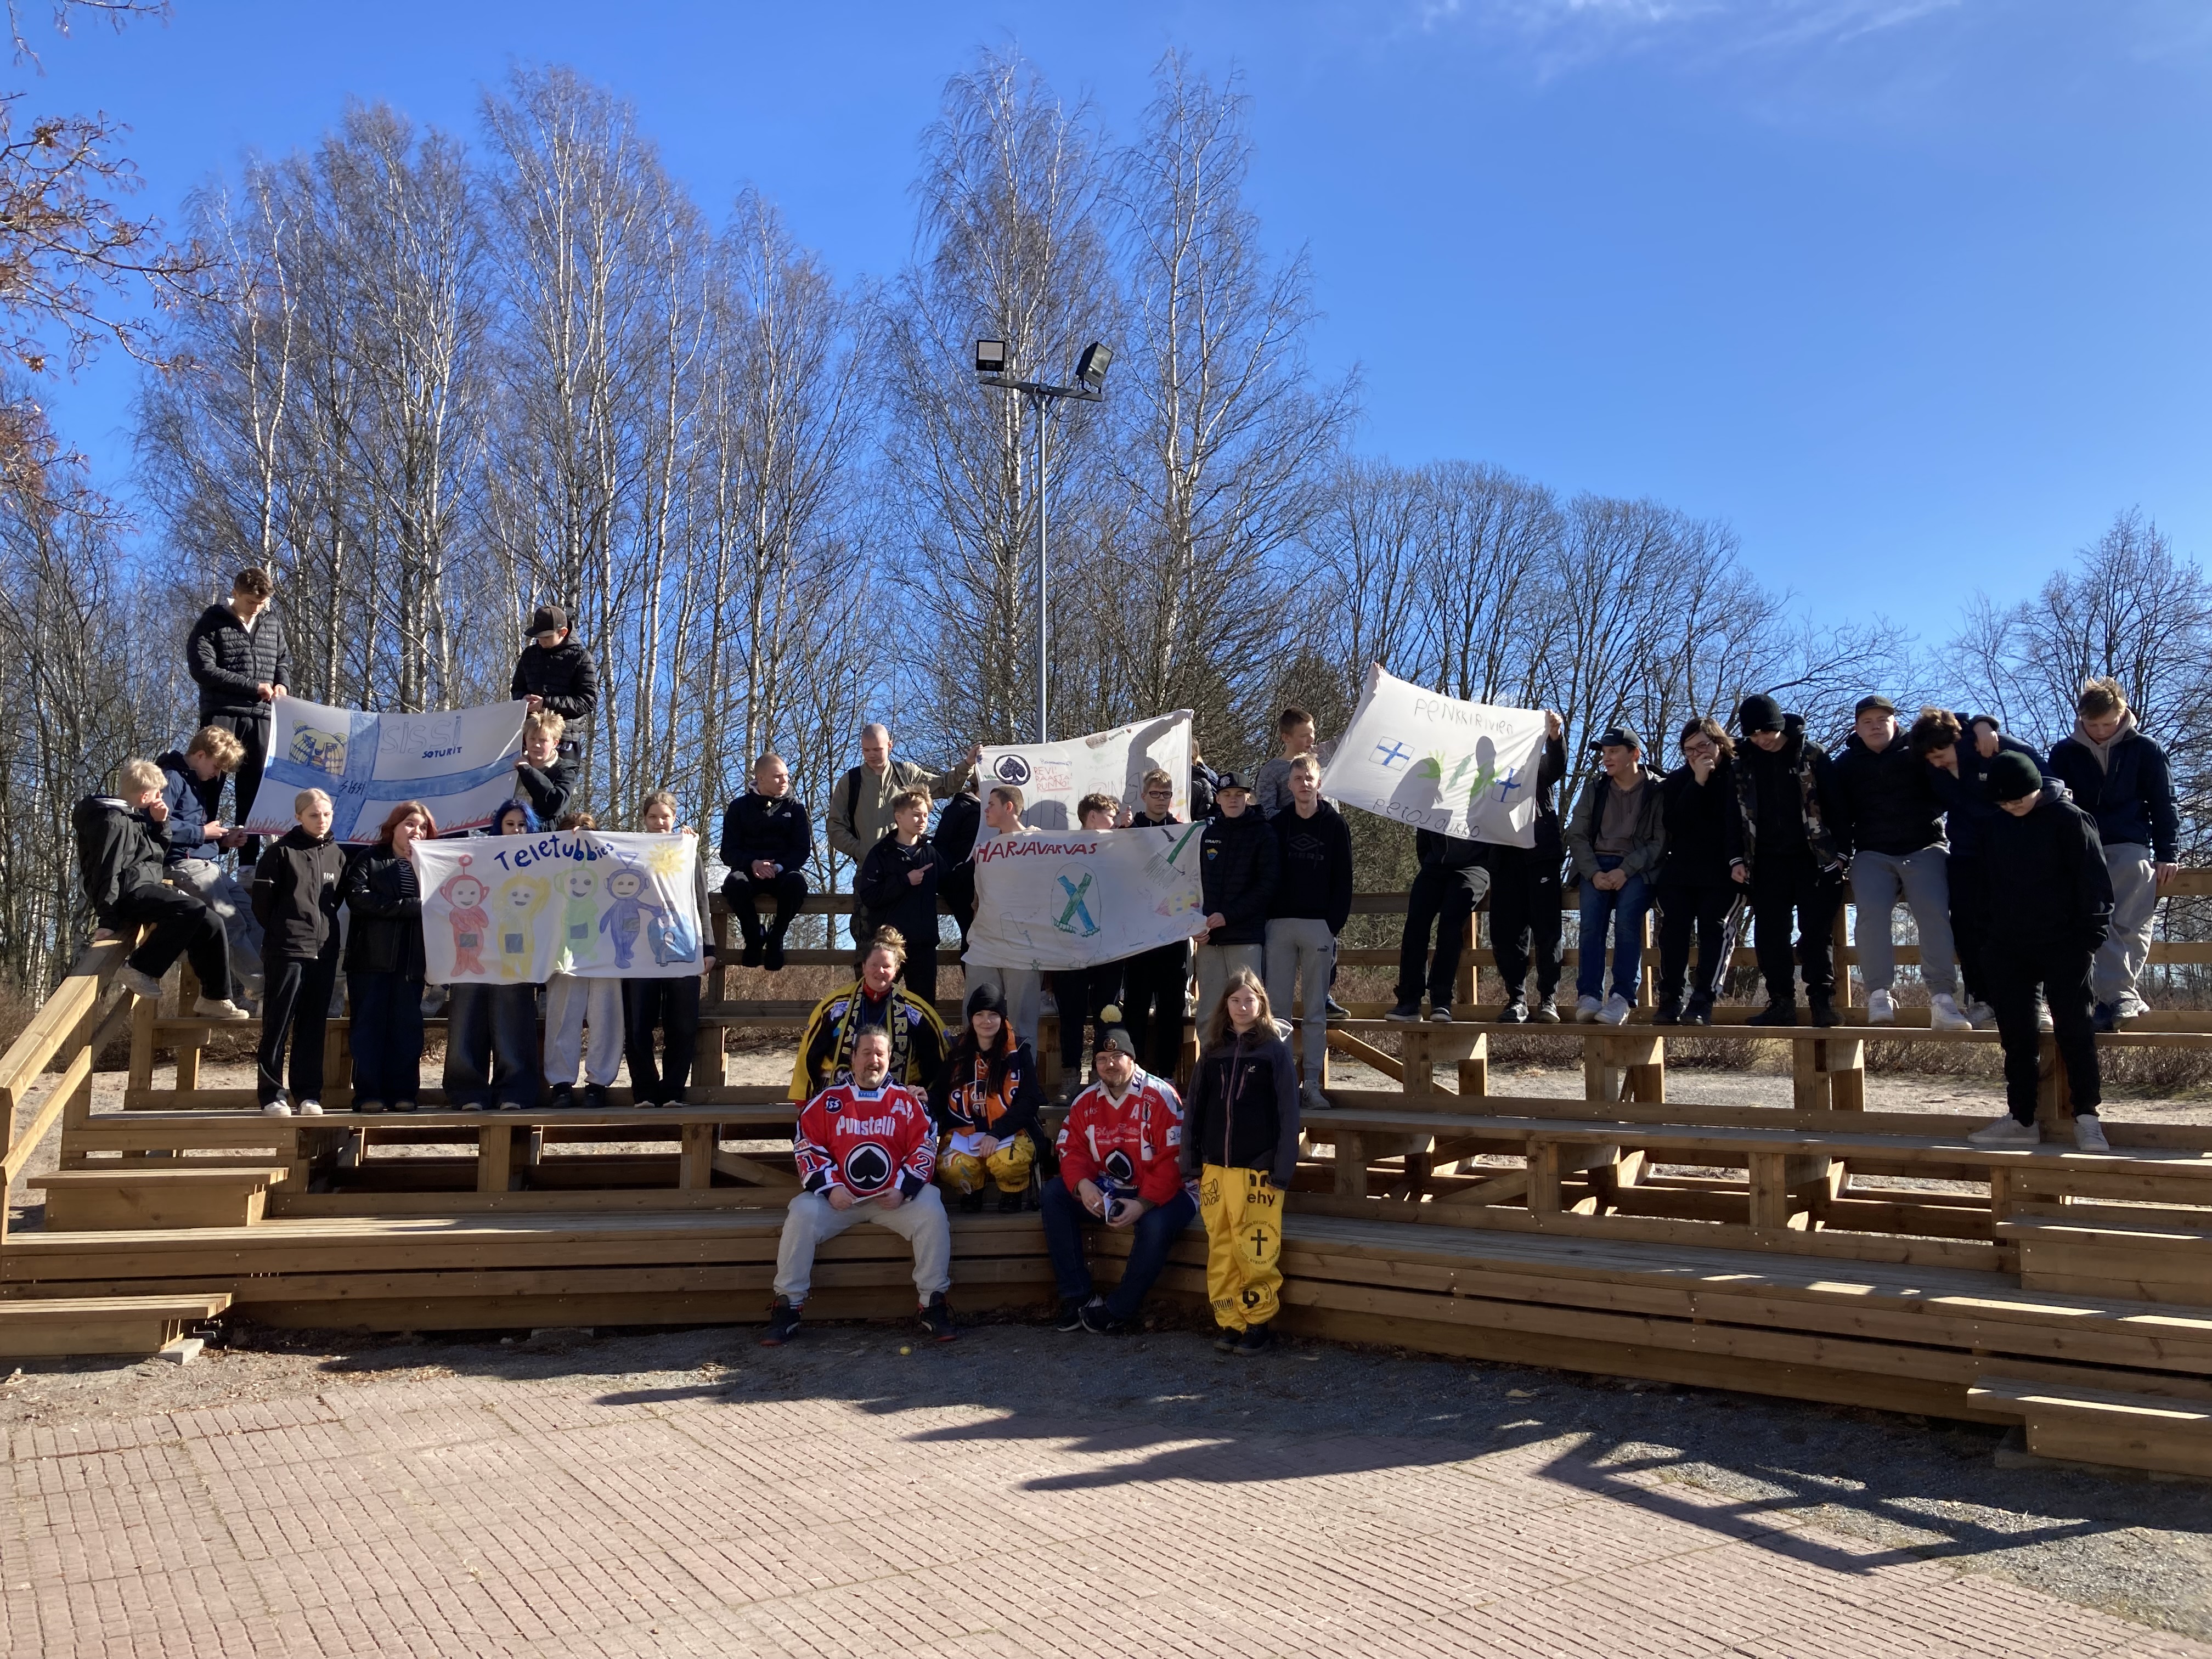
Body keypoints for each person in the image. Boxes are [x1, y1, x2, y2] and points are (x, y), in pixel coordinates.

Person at [762, 1026, 956, 1346]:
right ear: (853, 1058)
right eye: (866, 1053)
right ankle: (788, 1306)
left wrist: (903, 1188)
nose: (873, 1060)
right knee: (802, 1211)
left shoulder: (907, 1102)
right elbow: (806, 1146)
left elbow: (924, 1148)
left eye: (880, 1054)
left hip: (893, 1201)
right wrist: (830, 1188)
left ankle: (932, 1303)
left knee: (931, 1206)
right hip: (840, 1201)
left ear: (890, 1059)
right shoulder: (827, 1100)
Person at [1966, 752, 2114, 1152]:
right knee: (2016, 1036)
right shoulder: (1994, 826)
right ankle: (2022, 1119)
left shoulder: (2071, 819)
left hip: (2066, 944)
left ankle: (2088, 1119)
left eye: (2018, 798)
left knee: (2075, 1030)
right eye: (2003, 801)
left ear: (2036, 787)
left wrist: (2090, 938)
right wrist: (1987, 940)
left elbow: (2095, 883)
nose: (2011, 806)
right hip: (2008, 947)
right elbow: (1983, 887)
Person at [1043, 1021, 1197, 1335]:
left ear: (1132, 1059)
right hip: (1111, 1188)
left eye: (1117, 1057)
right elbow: (1070, 1149)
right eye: (1101, 1059)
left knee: (1155, 1224)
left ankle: (1120, 1309)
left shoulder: (1160, 1096)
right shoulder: (1086, 1101)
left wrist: (1143, 1203)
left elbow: (1174, 1161)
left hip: (1169, 1192)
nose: (1109, 1065)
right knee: (1055, 1194)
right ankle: (1078, 1296)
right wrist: (1083, 1184)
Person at [2045, 678, 2181, 1031]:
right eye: (2093, 725)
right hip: (2083, 844)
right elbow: (2054, 805)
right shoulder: (2064, 753)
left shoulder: (2146, 749)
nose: (2101, 731)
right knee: (2096, 919)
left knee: (2133, 920)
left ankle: (2115, 997)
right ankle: (2119, 996)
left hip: (2131, 842)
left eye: (2108, 724)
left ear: (2123, 714)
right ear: (2081, 719)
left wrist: (2168, 852)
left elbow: (2164, 802)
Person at [1833, 695, 1971, 1031]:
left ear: (1895, 723)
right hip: (1872, 852)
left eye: (1882, 720)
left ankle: (1942, 999)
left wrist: (1982, 726)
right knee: (1870, 914)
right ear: (1857, 728)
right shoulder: (1845, 765)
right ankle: (1879, 994)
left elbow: (1957, 731)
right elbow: (1837, 814)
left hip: (1925, 846)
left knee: (1934, 911)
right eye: (1867, 722)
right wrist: (1839, 853)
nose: (1875, 727)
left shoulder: (1918, 751)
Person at [1181, 968, 1299, 1356]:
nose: (1242, 1007)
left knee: (1256, 1250)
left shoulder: (1274, 1052)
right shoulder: (1212, 1051)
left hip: (1258, 1171)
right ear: (1225, 1005)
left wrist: (1281, 1170)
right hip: (1216, 1169)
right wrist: (1191, 1164)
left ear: (1261, 1004)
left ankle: (1258, 1322)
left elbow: (1288, 1114)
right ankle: (1229, 1321)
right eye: (1235, 1000)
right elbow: (1194, 1111)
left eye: (1250, 1000)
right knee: (1222, 1248)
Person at [75, 760, 250, 1022]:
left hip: (146, 884)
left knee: (211, 921)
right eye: (158, 793)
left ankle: (214, 998)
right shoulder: (112, 820)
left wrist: (160, 824)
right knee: (190, 909)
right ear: (146, 796)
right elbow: (106, 870)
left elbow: (155, 854)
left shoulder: (134, 815)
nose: (161, 798)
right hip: (127, 893)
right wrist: (108, 919)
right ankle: (138, 967)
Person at [1728, 693, 1849, 1028]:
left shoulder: (1812, 755)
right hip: (1765, 862)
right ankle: (1781, 1002)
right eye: (1753, 734)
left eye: (1766, 731)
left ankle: (1822, 1002)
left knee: (1816, 933)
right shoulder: (1741, 764)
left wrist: (1842, 853)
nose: (1761, 739)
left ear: (1779, 725)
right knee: (1770, 935)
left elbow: (1838, 806)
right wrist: (1736, 858)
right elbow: (1731, 816)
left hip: (1814, 859)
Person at [1915, 709, 2041, 1028]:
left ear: (1958, 741)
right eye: (1930, 759)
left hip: (2012, 851)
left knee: (2023, 924)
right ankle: (1983, 1000)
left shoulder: (1994, 746)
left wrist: (1982, 724)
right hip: (1965, 854)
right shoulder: (1934, 768)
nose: (1936, 763)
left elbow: (2047, 781)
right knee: (1968, 927)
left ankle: (2036, 1002)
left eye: (1940, 755)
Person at [185, 566, 290, 865]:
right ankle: (201, 853)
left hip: (263, 716)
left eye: (262, 603)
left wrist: (282, 684)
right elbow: (203, 669)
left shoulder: (272, 622)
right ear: (234, 594)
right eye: (251, 601)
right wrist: (252, 687)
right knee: (210, 781)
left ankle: (247, 863)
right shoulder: (212, 621)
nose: (256, 608)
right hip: (223, 714)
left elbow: (283, 661)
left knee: (255, 789)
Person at [250, 788, 346, 1117]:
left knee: (313, 1026)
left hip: (325, 952)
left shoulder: (338, 855)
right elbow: (262, 906)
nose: (322, 821)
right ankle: (272, 1096)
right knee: (277, 1024)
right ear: (298, 817)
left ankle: (308, 1095)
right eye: (314, 815)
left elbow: (335, 903)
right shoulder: (279, 852)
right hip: (286, 950)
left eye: (327, 814)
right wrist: (284, 931)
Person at [442, 799, 543, 1111]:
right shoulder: (477, 855)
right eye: (510, 824)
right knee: (466, 1019)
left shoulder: (541, 860)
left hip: (516, 954)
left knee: (513, 1022)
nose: (516, 830)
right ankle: (467, 1092)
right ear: (498, 825)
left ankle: (515, 1091)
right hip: (471, 951)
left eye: (522, 825)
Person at [1265, 755, 1352, 1109]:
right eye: (1298, 778)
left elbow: (1344, 879)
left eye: (1309, 778)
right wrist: (1268, 919)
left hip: (1319, 927)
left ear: (1319, 783)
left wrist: (1332, 926)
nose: (1304, 783)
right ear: (1289, 784)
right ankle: (1283, 1083)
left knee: (1316, 1010)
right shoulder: (1277, 824)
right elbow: (1266, 875)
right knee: (1277, 1011)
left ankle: (1312, 1084)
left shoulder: (1335, 824)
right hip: (1279, 926)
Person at [1564, 725, 1666, 1026]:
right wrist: (1593, 872)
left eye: (1613, 752)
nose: (1606, 758)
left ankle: (1622, 997)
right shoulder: (1595, 789)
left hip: (1637, 867)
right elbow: (1576, 834)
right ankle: (1589, 996)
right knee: (1590, 926)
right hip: (1596, 864)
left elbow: (1660, 842)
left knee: (1627, 924)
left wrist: (1626, 869)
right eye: (1604, 753)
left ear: (1634, 754)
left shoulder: (1657, 790)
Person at [155, 726, 264, 1002]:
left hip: (205, 864)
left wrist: (223, 841)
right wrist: (204, 832)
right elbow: (158, 826)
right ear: (200, 755)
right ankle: (263, 988)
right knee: (231, 922)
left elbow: (193, 834)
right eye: (217, 767)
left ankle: (256, 983)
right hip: (181, 865)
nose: (217, 774)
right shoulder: (170, 778)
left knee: (253, 916)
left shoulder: (192, 781)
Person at [624, 789, 716, 1108]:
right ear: (644, 820)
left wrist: (708, 948)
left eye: (665, 816)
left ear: (675, 818)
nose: (659, 822)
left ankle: (674, 1090)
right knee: (639, 1024)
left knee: (683, 1023)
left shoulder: (688, 852)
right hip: (639, 951)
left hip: (684, 947)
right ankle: (645, 1091)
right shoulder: (629, 852)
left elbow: (701, 901)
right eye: (653, 817)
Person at [343, 801, 434, 1114]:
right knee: (368, 1028)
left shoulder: (432, 864)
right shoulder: (370, 858)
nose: (416, 831)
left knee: (406, 1029)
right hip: (371, 959)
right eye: (409, 824)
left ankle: (403, 1093)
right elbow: (357, 898)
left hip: (412, 962)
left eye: (423, 827)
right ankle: (368, 1094)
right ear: (393, 827)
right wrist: (407, 907)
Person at [1654, 718, 1742, 1026]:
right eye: (1689, 750)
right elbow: (1675, 824)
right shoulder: (1678, 780)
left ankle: (1703, 1000)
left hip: (1724, 871)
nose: (1696, 754)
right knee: (1673, 929)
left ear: (1719, 743)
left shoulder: (1738, 774)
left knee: (1714, 928)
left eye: (1702, 746)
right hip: (1682, 870)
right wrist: (1698, 781)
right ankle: (1670, 999)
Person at [791, 927, 947, 1101]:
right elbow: (809, 1053)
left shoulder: (916, 1011)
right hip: (840, 1098)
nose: (880, 971)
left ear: (896, 970)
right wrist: (802, 1098)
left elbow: (939, 1061)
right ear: (864, 967)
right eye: (874, 965)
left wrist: (931, 1097)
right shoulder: (835, 1006)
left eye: (886, 966)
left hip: (897, 1100)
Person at [929, 981, 1046, 1213]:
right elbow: (940, 1093)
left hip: (1010, 1132)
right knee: (953, 1166)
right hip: (965, 1132)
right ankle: (972, 1191)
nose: (986, 1021)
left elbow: (1030, 1100)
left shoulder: (1019, 1052)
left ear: (1002, 1017)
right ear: (971, 1018)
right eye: (980, 1014)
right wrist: (926, 1098)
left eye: (993, 1014)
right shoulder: (957, 1051)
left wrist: (997, 1133)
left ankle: (1012, 1191)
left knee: (1008, 1161)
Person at [1489, 712, 1569, 1023]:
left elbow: (1556, 765)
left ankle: (1548, 998)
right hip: (1504, 860)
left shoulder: (1537, 767)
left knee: (1547, 931)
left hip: (1541, 857)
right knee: (1506, 935)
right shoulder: (1487, 777)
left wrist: (1555, 736)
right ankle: (1516, 999)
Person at [541, 810, 624, 1111]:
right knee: (562, 1016)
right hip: (563, 955)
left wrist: (679, 842)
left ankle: (598, 1084)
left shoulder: (610, 863)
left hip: (605, 953)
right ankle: (561, 1083)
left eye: (585, 832)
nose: (578, 836)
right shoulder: (548, 867)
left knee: (606, 1016)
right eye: (572, 832)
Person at [1052, 793, 1127, 1101]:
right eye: (1111, 815)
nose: (1115, 821)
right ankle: (1070, 1075)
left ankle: (1102, 1074)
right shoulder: (1063, 847)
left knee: (1107, 1011)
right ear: (1092, 816)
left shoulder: (1120, 847)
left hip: (1109, 946)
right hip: (1070, 945)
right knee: (1070, 1012)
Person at [1120, 769, 1193, 1083]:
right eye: (1155, 794)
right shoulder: (1130, 830)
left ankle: (1168, 1073)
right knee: (1135, 1006)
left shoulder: (1182, 832)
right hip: (1137, 934)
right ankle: (1132, 1072)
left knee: (1171, 1006)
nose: (1161, 799)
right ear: (1144, 796)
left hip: (1172, 933)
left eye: (1166, 794)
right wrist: (1119, 832)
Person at [825, 723, 977, 868]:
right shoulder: (850, 781)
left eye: (877, 750)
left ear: (890, 745)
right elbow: (835, 826)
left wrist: (967, 764)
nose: (871, 755)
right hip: (869, 870)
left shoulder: (907, 774)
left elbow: (945, 786)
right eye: (866, 750)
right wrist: (860, 850)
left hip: (911, 867)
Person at [962, 785, 1045, 1052]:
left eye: (991, 804)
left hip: (1024, 947)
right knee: (975, 1017)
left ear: (1009, 807)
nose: (985, 810)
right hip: (985, 946)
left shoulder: (1041, 843)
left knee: (1023, 1024)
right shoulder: (984, 851)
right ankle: (974, 1074)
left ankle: (1023, 1078)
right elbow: (978, 901)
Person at [1193, 771, 1278, 1030]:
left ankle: (1249, 1057)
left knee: (1248, 1010)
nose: (1233, 800)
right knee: (1208, 1013)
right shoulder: (1206, 834)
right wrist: (1194, 924)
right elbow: (1192, 884)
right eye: (1227, 795)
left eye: (1239, 795)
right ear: (1218, 799)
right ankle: (1210, 1057)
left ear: (1248, 798)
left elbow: (1267, 886)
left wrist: (1229, 916)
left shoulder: (1264, 833)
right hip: (1209, 939)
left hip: (1245, 938)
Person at [1386, 822, 1488, 1025]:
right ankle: (1409, 1000)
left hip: (1473, 868)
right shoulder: (1435, 802)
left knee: (1450, 923)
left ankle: (1441, 1000)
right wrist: (1429, 861)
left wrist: (1488, 865)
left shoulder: (1482, 800)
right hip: (1434, 867)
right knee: (1416, 924)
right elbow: (1423, 835)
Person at [719, 753, 810, 970]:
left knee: (797, 884)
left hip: (782, 871)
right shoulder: (739, 807)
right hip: (748, 870)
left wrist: (778, 867)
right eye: (778, 776)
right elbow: (728, 851)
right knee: (734, 884)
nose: (785, 780)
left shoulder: (795, 808)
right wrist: (753, 863)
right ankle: (754, 935)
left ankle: (776, 937)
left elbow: (801, 850)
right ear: (760, 778)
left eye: (786, 775)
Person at [856, 787, 943, 1000]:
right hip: (887, 944)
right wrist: (905, 881)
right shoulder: (880, 853)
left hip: (923, 944)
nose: (922, 820)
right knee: (876, 1001)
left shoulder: (931, 853)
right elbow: (869, 896)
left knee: (923, 1006)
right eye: (916, 814)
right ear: (899, 817)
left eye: (926, 815)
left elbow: (952, 886)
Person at [511, 604, 598, 731]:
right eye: (538, 636)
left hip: (565, 734)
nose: (541, 641)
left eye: (547, 637)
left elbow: (588, 701)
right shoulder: (529, 654)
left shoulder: (581, 657)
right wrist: (523, 699)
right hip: (530, 732)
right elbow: (517, 690)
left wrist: (546, 704)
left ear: (563, 632)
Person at [933, 776, 984, 949]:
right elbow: (939, 845)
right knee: (972, 936)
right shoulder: (959, 808)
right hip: (962, 885)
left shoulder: (992, 812)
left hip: (986, 881)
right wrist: (958, 870)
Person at [1253, 706, 1321, 821]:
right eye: (1304, 736)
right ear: (1286, 738)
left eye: (1312, 732)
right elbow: (1265, 811)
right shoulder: (1272, 771)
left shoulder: (1322, 756)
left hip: (1328, 829)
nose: (1311, 739)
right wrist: (1300, 818)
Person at [512, 710, 577, 829]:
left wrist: (527, 771)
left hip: (546, 838)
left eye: (543, 740)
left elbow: (554, 806)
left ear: (555, 743)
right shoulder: (511, 766)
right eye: (532, 739)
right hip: (510, 836)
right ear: (525, 739)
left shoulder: (566, 771)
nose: (536, 745)